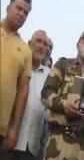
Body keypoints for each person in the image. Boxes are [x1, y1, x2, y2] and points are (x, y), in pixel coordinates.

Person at [41, 30, 84, 160]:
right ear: (78, 45)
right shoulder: (63, 65)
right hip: (59, 140)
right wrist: (64, 105)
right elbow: (46, 92)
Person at [2, 30, 50, 160]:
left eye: (45, 44)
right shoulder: (17, 64)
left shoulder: (49, 75)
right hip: (7, 138)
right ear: (29, 43)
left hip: (31, 147)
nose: (41, 46)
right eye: (38, 41)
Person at [1, 0, 33, 152]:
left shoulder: (26, 50)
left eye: (26, 12)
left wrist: (15, 129)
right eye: (18, 8)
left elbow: (23, 90)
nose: (21, 14)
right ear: (8, 8)